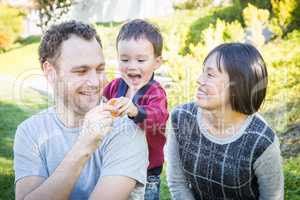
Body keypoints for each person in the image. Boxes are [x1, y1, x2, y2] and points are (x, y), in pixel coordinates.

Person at [13, 20, 149, 200]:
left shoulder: (127, 131)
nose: (95, 82)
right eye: (81, 71)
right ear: (50, 72)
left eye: (100, 69)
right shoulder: (30, 131)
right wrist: (84, 146)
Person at [166, 43, 284, 200]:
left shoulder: (262, 141)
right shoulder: (180, 118)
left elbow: (272, 197)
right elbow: (177, 182)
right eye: (203, 72)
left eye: (210, 75)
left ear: (237, 86)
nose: (199, 80)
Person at [103, 19, 169, 200]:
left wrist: (135, 111)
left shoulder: (155, 92)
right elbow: (101, 102)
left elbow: (158, 118)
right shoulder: (115, 86)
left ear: (157, 62)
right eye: (124, 59)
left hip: (146, 174)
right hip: (117, 165)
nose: (132, 66)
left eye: (140, 60)